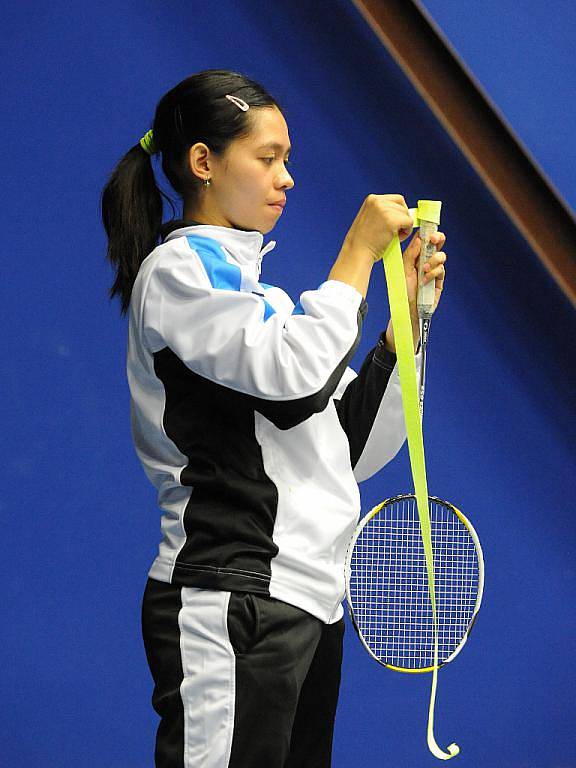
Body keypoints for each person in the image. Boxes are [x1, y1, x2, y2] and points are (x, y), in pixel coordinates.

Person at [100, 69, 446, 768]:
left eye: (287, 160)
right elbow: (291, 379)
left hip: (308, 605)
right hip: (232, 598)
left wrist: (403, 329)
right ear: (203, 162)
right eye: (268, 157)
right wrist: (353, 259)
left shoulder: (273, 308)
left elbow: (353, 447)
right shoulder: (177, 277)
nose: (286, 178)